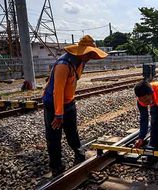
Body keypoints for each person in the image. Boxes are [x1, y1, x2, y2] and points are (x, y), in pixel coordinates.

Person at [42, 35, 108, 176]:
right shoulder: (63, 64)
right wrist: (58, 114)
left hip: (68, 102)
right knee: (54, 136)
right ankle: (56, 166)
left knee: (72, 131)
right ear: (82, 51)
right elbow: (57, 90)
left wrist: (68, 103)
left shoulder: (81, 62)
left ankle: (79, 155)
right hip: (53, 104)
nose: (91, 56)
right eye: (90, 53)